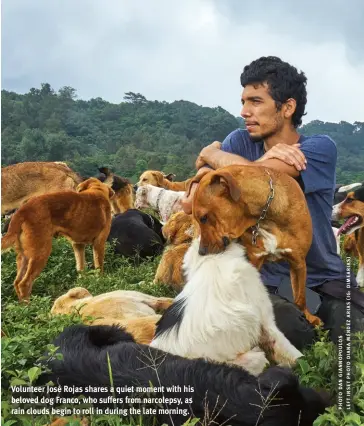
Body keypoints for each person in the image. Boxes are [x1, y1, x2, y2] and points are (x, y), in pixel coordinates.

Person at [182, 56, 364, 348]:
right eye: (243, 101)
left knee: (353, 334)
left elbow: (266, 182)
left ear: (287, 107)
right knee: (293, 331)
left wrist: (213, 156)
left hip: (323, 276)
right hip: (267, 278)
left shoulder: (318, 148)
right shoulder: (240, 142)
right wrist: (230, 166)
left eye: (256, 101)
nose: (244, 112)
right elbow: (191, 202)